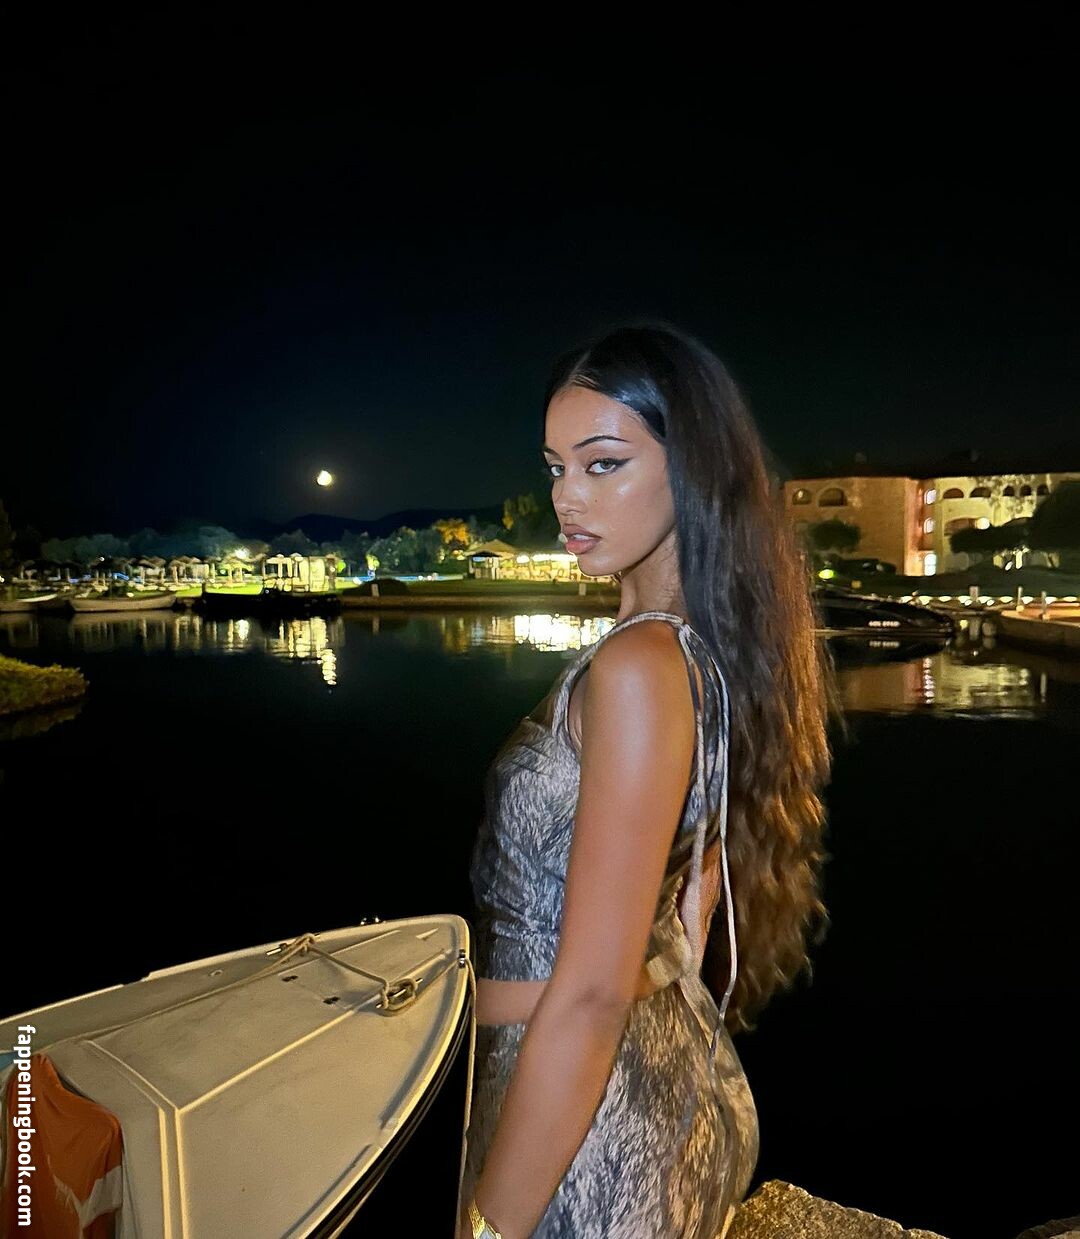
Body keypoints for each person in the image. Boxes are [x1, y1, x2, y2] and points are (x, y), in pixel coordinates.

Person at [457, 321, 838, 1238]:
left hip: (584, 1125)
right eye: (556, 468)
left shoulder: (637, 668)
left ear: (692, 467)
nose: (566, 496)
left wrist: (488, 1227)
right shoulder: (707, 650)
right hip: (657, 1075)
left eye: (603, 463)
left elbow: (590, 994)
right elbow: (688, 904)